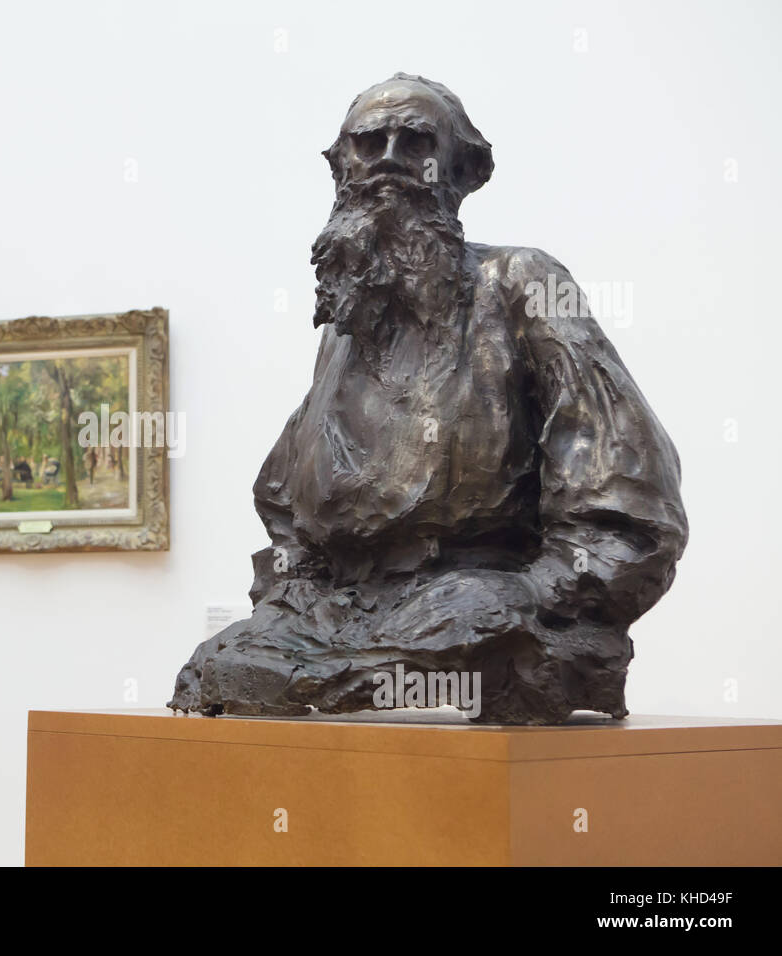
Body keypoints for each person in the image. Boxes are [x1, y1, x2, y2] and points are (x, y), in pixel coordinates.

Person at [169, 74, 688, 723]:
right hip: (330, 616)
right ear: (340, 167)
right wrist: (297, 580)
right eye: (369, 142)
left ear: (461, 170)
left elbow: (626, 499)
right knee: (227, 662)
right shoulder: (346, 328)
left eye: (415, 141)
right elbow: (283, 494)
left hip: (484, 608)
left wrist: (533, 592)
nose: (389, 158)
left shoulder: (523, 285)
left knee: (461, 630)